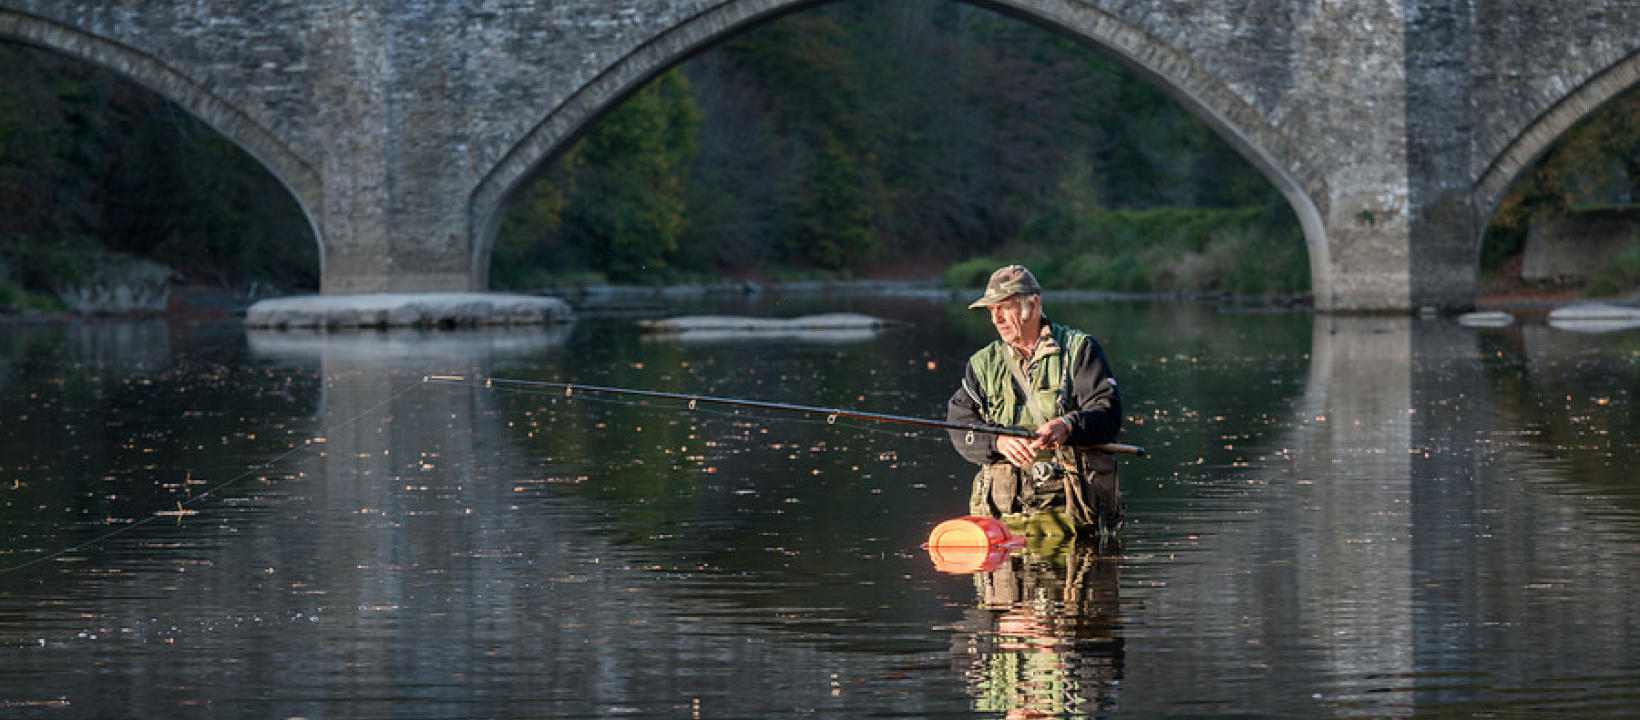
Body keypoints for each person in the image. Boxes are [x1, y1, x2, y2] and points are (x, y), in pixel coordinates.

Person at [947, 265, 1124, 538]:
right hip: (1000, 528)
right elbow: (959, 424)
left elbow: (1108, 414)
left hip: (1073, 522)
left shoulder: (1080, 350)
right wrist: (997, 441)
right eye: (991, 310)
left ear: (1034, 303)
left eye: (1005, 307)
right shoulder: (982, 364)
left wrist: (1068, 426)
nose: (997, 319)